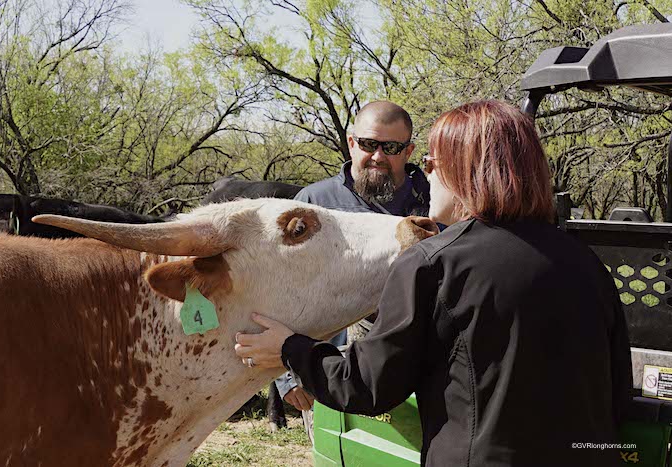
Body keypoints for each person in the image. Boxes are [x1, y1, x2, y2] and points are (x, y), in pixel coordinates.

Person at [235, 100, 632, 466]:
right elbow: (617, 394)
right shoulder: (585, 263)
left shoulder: (434, 262)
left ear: (463, 171)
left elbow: (368, 386)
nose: (425, 175)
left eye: (429, 162)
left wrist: (290, 349)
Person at [277, 100, 432, 412]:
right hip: (326, 369)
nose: (377, 156)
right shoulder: (313, 203)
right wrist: (287, 375)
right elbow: (278, 289)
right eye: (367, 144)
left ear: (409, 151)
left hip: (423, 371)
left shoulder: (434, 200)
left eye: (390, 146)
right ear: (351, 143)